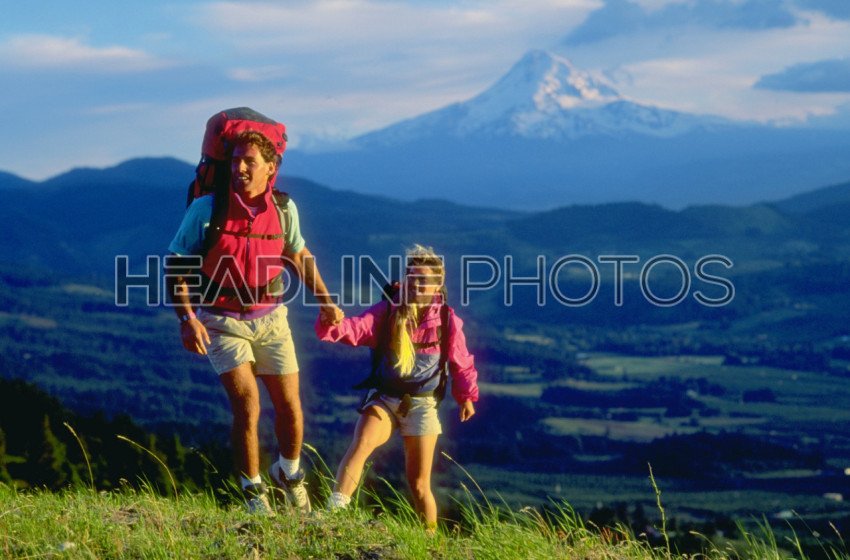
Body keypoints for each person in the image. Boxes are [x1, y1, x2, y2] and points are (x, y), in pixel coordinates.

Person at [167, 129, 343, 515]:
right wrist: (187, 318)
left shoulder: (284, 209)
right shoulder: (206, 210)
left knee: (290, 406)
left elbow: (299, 255)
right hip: (220, 321)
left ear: (270, 168)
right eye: (235, 161)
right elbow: (176, 265)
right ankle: (253, 492)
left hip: (272, 319)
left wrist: (326, 301)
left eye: (250, 161)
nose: (240, 168)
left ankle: (289, 473)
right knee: (248, 405)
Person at [315, 244, 478, 530]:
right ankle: (334, 513)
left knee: (419, 484)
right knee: (361, 444)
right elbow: (358, 328)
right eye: (412, 278)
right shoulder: (388, 311)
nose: (416, 285)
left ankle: (430, 542)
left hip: (422, 404)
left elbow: (461, 362)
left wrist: (466, 396)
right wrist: (333, 324)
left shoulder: (447, 321)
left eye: (423, 280)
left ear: (437, 285)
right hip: (384, 398)